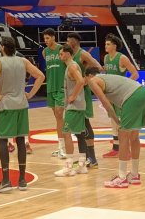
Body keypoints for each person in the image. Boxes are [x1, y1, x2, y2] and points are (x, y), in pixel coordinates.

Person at [0, 36, 45, 193]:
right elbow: (41, 76)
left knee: (2, 140)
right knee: (20, 140)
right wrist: (30, 94)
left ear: (2, 48)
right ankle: (22, 180)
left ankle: (5, 180)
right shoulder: (23, 61)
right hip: (21, 104)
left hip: (6, 105)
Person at [85, 67, 145, 189]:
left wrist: (117, 121)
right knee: (134, 136)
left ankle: (121, 177)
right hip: (144, 93)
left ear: (88, 76)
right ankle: (134, 175)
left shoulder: (92, 81)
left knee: (123, 135)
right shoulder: (107, 78)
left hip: (132, 97)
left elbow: (105, 103)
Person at [67, 32, 101, 167]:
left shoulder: (82, 54)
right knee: (79, 125)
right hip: (75, 91)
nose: (68, 42)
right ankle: (85, 155)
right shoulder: (70, 56)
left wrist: (87, 80)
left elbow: (98, 67)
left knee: (85, 122)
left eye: (69, 40)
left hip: (83, 93)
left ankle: (92, 158)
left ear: (75, 41)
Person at [102, 34, 140, 158]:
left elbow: (135, 74)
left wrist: (125, 86)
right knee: (113, 122)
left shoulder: (122, 58)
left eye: (108, 44)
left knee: (123, 123)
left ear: (114, 45)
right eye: (105, 44)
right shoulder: (106, 58)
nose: (105, 46)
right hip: (110, 95)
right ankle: (116, 148)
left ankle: (127, 149)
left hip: (120, 96)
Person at [54, 45, 89, 177]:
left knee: (66, 133)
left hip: (74, 106)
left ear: (68, 54)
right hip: (79, 105)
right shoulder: (73, 66)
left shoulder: (72, 66)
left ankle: (68, 167)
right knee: (80, 135)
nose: (60, 56)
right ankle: (82, 165)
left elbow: (81, 81)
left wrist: (73, 95)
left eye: (62, 54)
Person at [41, 28, 67, 159]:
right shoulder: (44, 52)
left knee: (59, 114)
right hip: (50, 87)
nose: (45, 41)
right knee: (58, 118)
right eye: (44, 38)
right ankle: (61, 147)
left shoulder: (62, 49)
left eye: (47, 38)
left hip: (61, 87)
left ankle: (65, 147)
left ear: (53, 37)